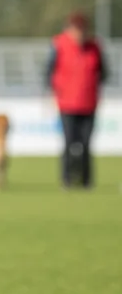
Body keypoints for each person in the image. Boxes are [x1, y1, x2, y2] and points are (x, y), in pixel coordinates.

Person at [47, 12, 108, 188]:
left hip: (89, 103)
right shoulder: (59, 45)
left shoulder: (95, 47)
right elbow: (49, 71)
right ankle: (67, 179)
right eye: (76, 30)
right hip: (66, 103)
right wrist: (54, 91)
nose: (79, 34)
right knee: (68, 142)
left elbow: (103, 73)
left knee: (87, 144)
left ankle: (86, 181)